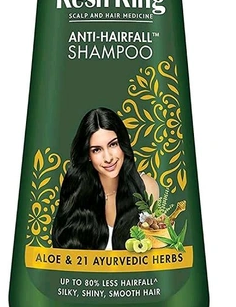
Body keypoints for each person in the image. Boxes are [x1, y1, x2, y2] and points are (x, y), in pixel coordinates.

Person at [51, 107, 160, 250]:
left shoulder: (146, 186)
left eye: (113, 144)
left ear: (123, 144)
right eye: (96, 150)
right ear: (88, 155)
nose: (108, 158)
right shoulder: (75, 190)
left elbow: (154, 250)